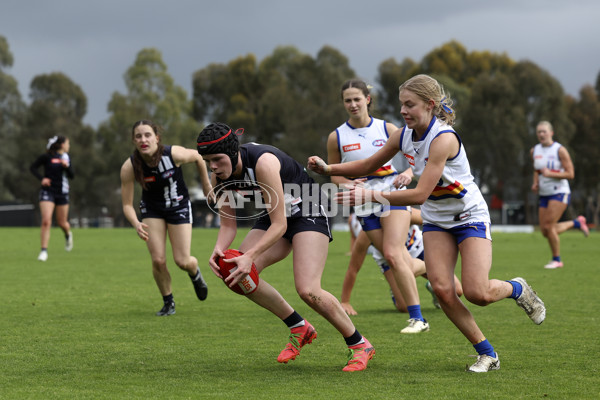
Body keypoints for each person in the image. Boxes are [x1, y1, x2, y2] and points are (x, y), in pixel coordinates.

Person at [308, 74, 546, 373]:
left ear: (430, 105)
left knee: (478, 293)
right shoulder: (403, 134)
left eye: (410, 105)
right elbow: (369, 164)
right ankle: (487, 354)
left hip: (468, 216)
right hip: (437, 220)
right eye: (401, 105)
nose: (404, 111)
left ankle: (517, 289)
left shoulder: (443, 138)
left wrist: (369, 195)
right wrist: (329, 168)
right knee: (444, 290)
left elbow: (420, 194)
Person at [197, 122, 374, 372]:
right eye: (207, 161)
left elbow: (279, 225)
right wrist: (218, 249)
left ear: (233, 151)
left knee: (308, 289)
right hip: (276, 216)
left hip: (308, 209)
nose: (212, 167)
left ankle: (359, 344)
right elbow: (228, 225)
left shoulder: (263, 163)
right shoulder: (219, 177)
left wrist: (250, 255)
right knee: (235, 275)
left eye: (217, 159)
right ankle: (298, 326)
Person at [326, 79, 429, 334]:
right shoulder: (336, 136)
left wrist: (407, 173)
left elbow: (417, 160)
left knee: (393, 254)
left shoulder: (388, 128)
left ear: (367, 100)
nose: (352, 104)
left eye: (357, 99)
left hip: (391, 194)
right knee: (398, 260)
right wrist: (347, 184)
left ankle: (418, 319)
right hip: (362, 203)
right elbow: (335, 176)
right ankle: (430, 270)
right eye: (347, 100)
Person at [120, 120, 212, 316]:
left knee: (182, 260)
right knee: (158, 260)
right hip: (152, 210)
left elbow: (197, 156)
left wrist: (206, 186)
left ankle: (194, 271)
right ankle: (168, 302)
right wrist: (136, 223)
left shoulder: (173, 154)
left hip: (177, 205)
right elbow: (127, 205)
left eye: (147, 135)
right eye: (138, 136)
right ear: (133, 141)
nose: (143, 140)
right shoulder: (129, 167)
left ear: (156, 138)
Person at [341, 210, 463, 314]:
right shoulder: (367, 233)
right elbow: (353, 268)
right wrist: (345, 301)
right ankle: (403, 286)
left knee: (457, 290)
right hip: (389, 261)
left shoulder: (404, 212)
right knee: (405, 307)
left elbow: (434, 222)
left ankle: (432, 283)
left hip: (419, 248)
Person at [531, 120, 589, 269]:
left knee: (549, 227)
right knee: (545, 230)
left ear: (551, 133)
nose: (541, 134)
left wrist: (550, 174)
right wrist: (535, 182)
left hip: (559, 192)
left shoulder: (560, 150)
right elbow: (537, 170)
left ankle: (557, 260)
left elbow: (570, 174)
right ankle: (576, 223)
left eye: (544, 131)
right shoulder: (534, 150)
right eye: (539, 132)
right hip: (544, 193)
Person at [30, 135, 74, 262]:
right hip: (47, 191)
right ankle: (43, 251)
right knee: (46, 221)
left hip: (62, 193)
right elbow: (33, 168)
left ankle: (67, 234)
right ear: (61, 145)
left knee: (62, 223)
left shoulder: (66, 158)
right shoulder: (46, 157)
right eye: (67, 144)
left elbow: (72, 176)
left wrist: (67, 167)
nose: (68, 146)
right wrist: (42, 179)